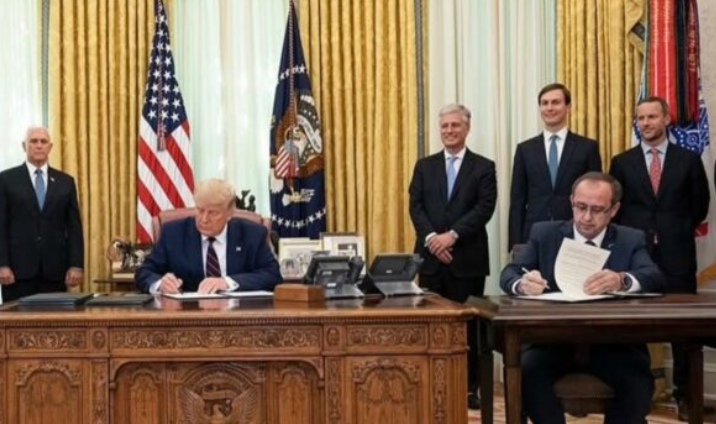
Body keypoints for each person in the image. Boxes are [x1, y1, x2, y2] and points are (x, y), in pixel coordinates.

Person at [500, 172, 665, 424]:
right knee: (528, 373)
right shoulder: (545, 234)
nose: (587, 217)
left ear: (614, 209)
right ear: (571, 202)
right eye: (580, 207)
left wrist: (622, 279)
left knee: (638, 382)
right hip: (552, 342)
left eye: (597, 210)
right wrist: (522, 284)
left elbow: (654, 276)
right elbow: (509, 274)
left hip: (612, 344)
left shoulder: (629, 239)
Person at [609, 95, 710, 419]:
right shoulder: (621, 162)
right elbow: (616, 209)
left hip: (677, 256)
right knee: (633, 330)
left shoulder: (688, 159)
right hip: (635, 259)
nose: (646, 123)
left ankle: (685, 396)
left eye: (652, 117)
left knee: (684, 333)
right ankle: (638, 393)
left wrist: (673, 229)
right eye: (640, 118)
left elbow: (699, 205)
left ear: (666, 119)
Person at [408, 103, 497, 410]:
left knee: (469, 328)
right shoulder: (424, 166)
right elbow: (415, 206)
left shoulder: (484, 167)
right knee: (431, 325)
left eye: (455, 125)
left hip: (467, 260)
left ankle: (469, 388)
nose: (449, 131)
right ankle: (432, 384)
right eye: (444, 125)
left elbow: (484, 208)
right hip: (431, 261)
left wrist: (452, 236)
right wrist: (432, 240)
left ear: (467, 128)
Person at [135, 179, 281, 294]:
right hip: (187, 314)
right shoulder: (174, 234)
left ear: (230, 213)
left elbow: (272, 275)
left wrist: (227, 282)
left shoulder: (252, 234)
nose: (204, 219)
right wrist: (160, 284)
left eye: (213, 213)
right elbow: (144, 272)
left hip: (238, 315)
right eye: (200, 210)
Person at [508, 83, 602, 251]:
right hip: (534, 234)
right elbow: (517, 200)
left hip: (577, 233)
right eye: (544, 103)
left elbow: (595, 196)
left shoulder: (587, 147)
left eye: (555, 102)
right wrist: (516, 242)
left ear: (568, 107)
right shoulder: (525, 149)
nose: (549, 108)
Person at [0, 126, 84, 302]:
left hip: (55, 273)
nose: (39, 145)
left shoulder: (65, 182)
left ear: (50, 147)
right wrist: (2, 264)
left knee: (53, 319)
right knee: (16, 320)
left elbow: (74, 227)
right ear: (24, 146)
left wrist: (76, 265)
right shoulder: (6, 179)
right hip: (16, 273)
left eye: (43, 142)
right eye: (33, 141)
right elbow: (1, 225)